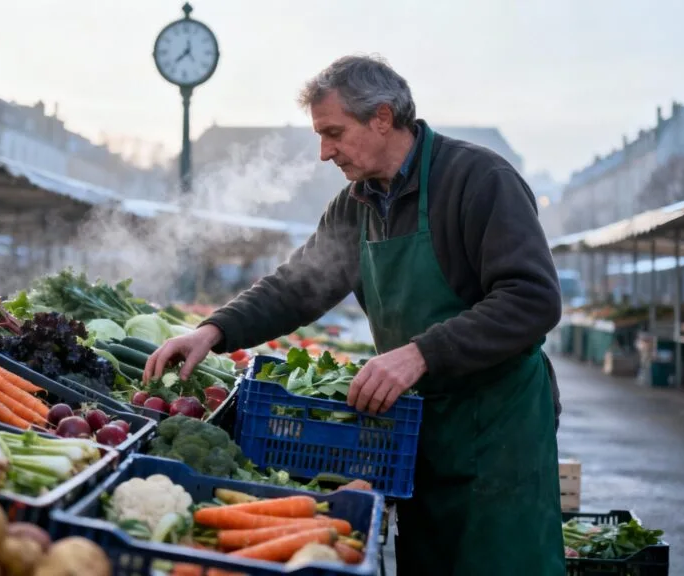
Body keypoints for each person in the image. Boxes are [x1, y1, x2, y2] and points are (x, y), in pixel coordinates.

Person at [145, 55, 565, 575]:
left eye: (334, 133)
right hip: (419, 430)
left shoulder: (479, 179)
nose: (324, 152)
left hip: (499, 430)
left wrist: (419, 354)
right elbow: (297, 288)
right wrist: (215, 329)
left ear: (383, 117)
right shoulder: (356, 205)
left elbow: (533, 298)